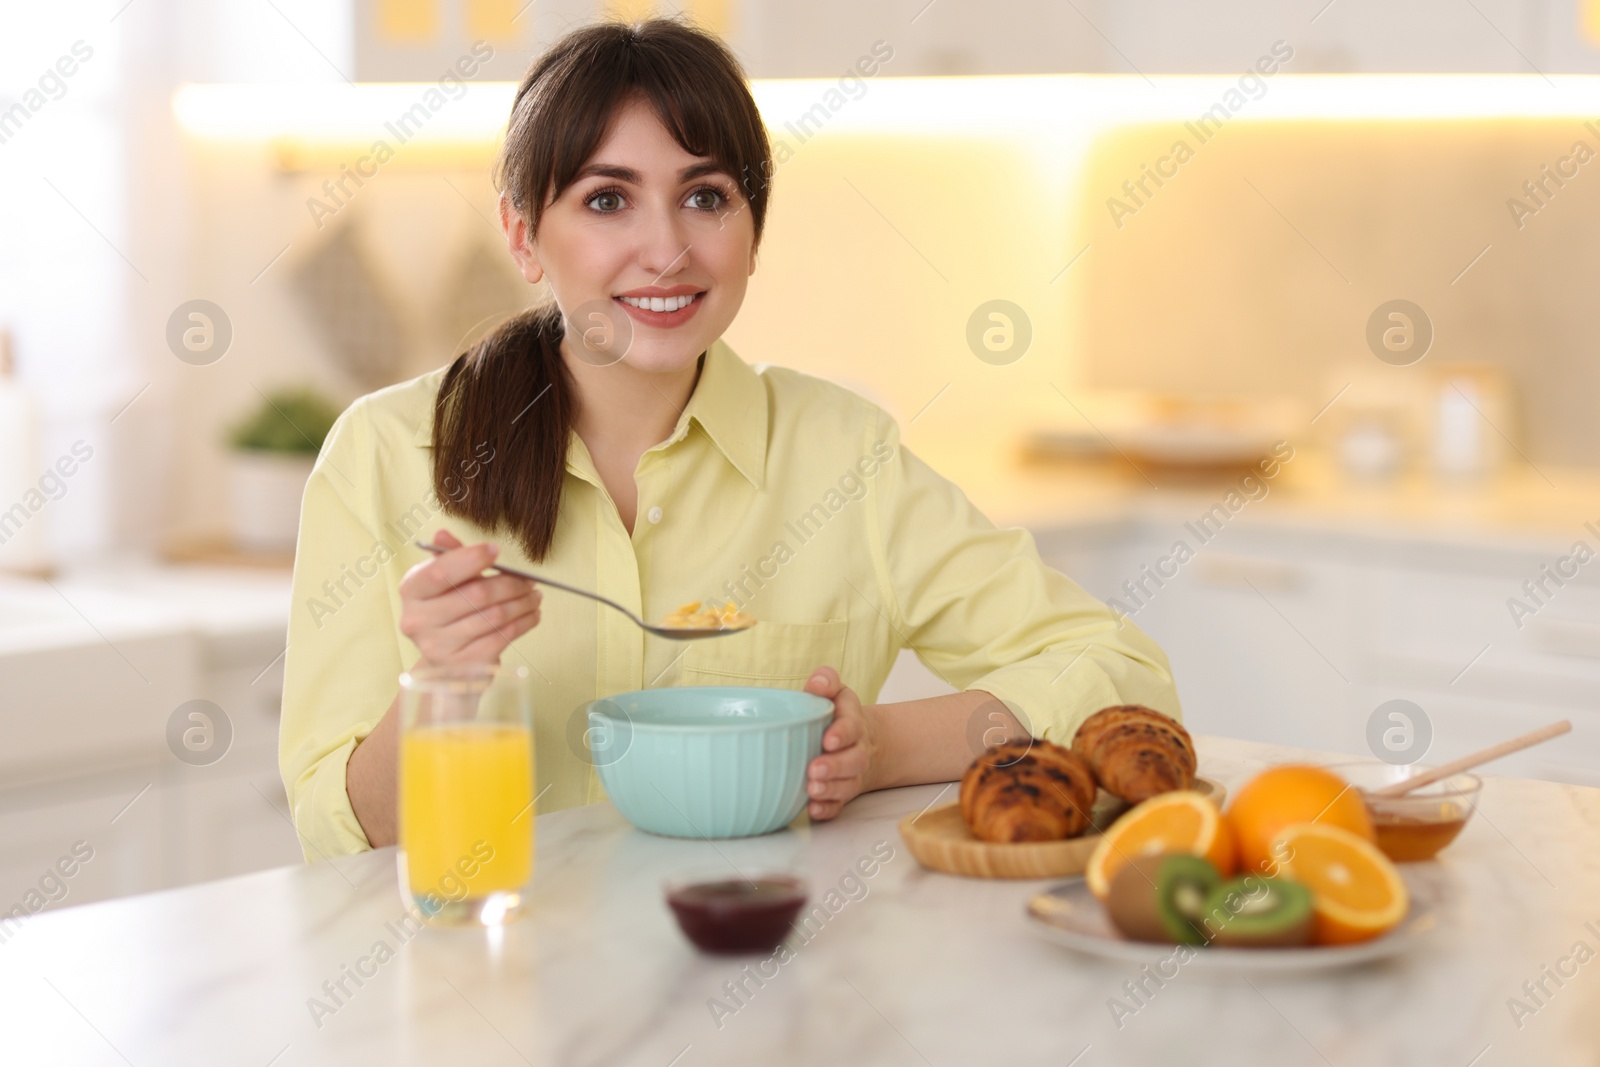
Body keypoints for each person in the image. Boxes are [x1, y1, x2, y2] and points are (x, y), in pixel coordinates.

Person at [279, 16, 1179, 860]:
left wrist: (878, 744)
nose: (667, 249)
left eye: (705, 196)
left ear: (753, 233)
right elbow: (339, 834)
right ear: (523, 236)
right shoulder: (385, 456)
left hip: (766, 978)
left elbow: (1124, 679)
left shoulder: (840, 455)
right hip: (492, 995)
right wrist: (445, 681)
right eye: (607, 200)